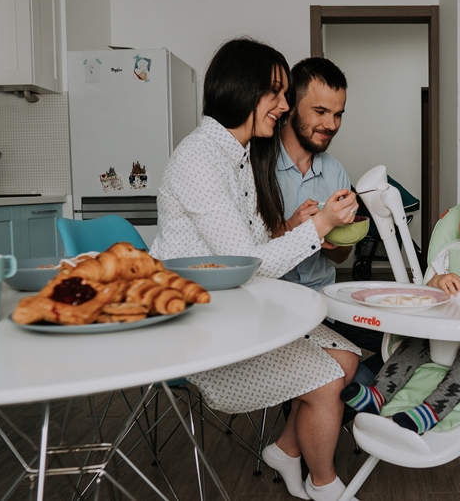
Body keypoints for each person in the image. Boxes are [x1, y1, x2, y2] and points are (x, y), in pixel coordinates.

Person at [151, 37, 361, 501]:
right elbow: (243, 265)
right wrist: (319, 224)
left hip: (238, 310)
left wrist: (299, 228)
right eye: (277, 93)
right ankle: (326, 485)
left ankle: (285, 451)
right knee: (328, 379)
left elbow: (251, 248)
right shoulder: (200, 158)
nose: (283, 106)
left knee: (347, 358)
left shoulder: (238, 154)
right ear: (244, 91)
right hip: (201, 327)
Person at [339, 181, 460, 434]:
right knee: (411, 345)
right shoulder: (451, 252)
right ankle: (377, 394)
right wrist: (439, 281)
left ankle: (430, 411)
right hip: (443, 334)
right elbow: (427, 287)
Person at [275, 56, 382, 383]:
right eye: (321, 112)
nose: (332, 124)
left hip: (326, 303)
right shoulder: (255, 167)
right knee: (345, 372)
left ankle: (350, 396)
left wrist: (333, 237)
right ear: (291, 105)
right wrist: (294, 227)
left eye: (338, 114)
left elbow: (340, 255)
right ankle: (337, 396)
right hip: (277, 307)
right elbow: (243, 253)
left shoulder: (335, 171)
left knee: (407, 341)